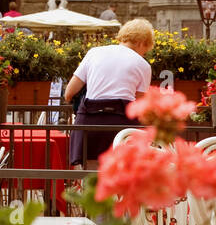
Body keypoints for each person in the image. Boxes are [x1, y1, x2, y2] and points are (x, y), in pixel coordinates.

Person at [65, 18, 154, 168]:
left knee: (91, 178)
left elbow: (69, 93)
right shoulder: (142, 65)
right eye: (146, 49)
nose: (144, 54)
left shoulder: (94, 53)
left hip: (89, 127)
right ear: (141, 43)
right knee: (121, 177)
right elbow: (139, 106)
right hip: (122, 131)